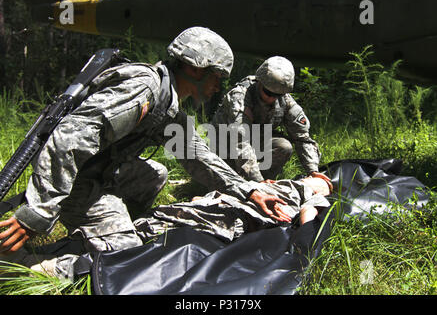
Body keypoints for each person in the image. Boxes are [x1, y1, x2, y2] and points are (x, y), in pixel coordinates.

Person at [0, 27, 288, 280]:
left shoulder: (166, 99)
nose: (217, 87)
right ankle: (27, 267)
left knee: (156, 175)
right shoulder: (145, 89)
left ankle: (109, 230)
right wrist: (37, 213)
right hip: (79, 180)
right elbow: (70, 139)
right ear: (196, 69)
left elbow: (197, 155)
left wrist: (248, 189)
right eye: (216, 77)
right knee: (129, 256)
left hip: (103, 170)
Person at [212, 56, 330, 185]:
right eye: (268, 93)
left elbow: (302, 138)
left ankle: (265, 181)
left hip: (254, 140)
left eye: (277, 95)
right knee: (223, 182)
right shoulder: (240, 97)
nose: (272, 99)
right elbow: (241, 142)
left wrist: (313, 170)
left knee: (284, 147)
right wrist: (257, 181)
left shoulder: (286, 101)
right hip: (224, 145)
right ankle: (252, 182)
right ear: (259, 82)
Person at [135, 174, 333, 243]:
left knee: (163, 225)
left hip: (239, 215)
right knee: (168, 215)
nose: (307, 178)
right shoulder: (278, 184)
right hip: (224, 203)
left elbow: (310, 212)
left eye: (314, 179)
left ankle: (121, 241)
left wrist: (306, 239)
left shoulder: (312, 195)